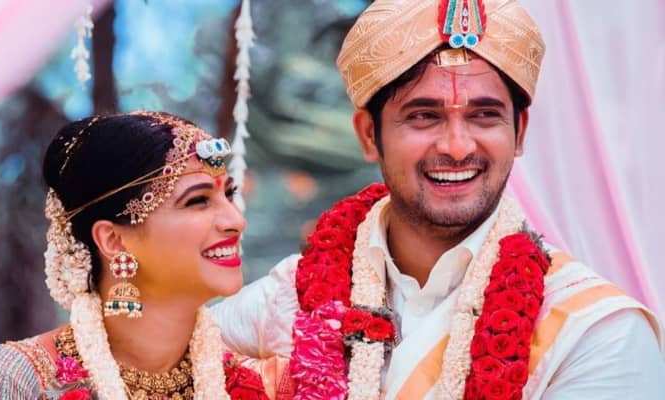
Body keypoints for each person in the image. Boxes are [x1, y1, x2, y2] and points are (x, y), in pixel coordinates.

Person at [209, 0, 665, 398]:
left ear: (520, 131)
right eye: (424, 116)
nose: (457, 146)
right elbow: (173, 362)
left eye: (484, 116)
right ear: (369, 135)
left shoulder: (594, 333)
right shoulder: (290, 295)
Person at [0, 111, 291, 399]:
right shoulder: (23, 380)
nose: (236, 220)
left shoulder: (260, 386)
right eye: (198, 201)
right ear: (114, 240)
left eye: (229, 194)